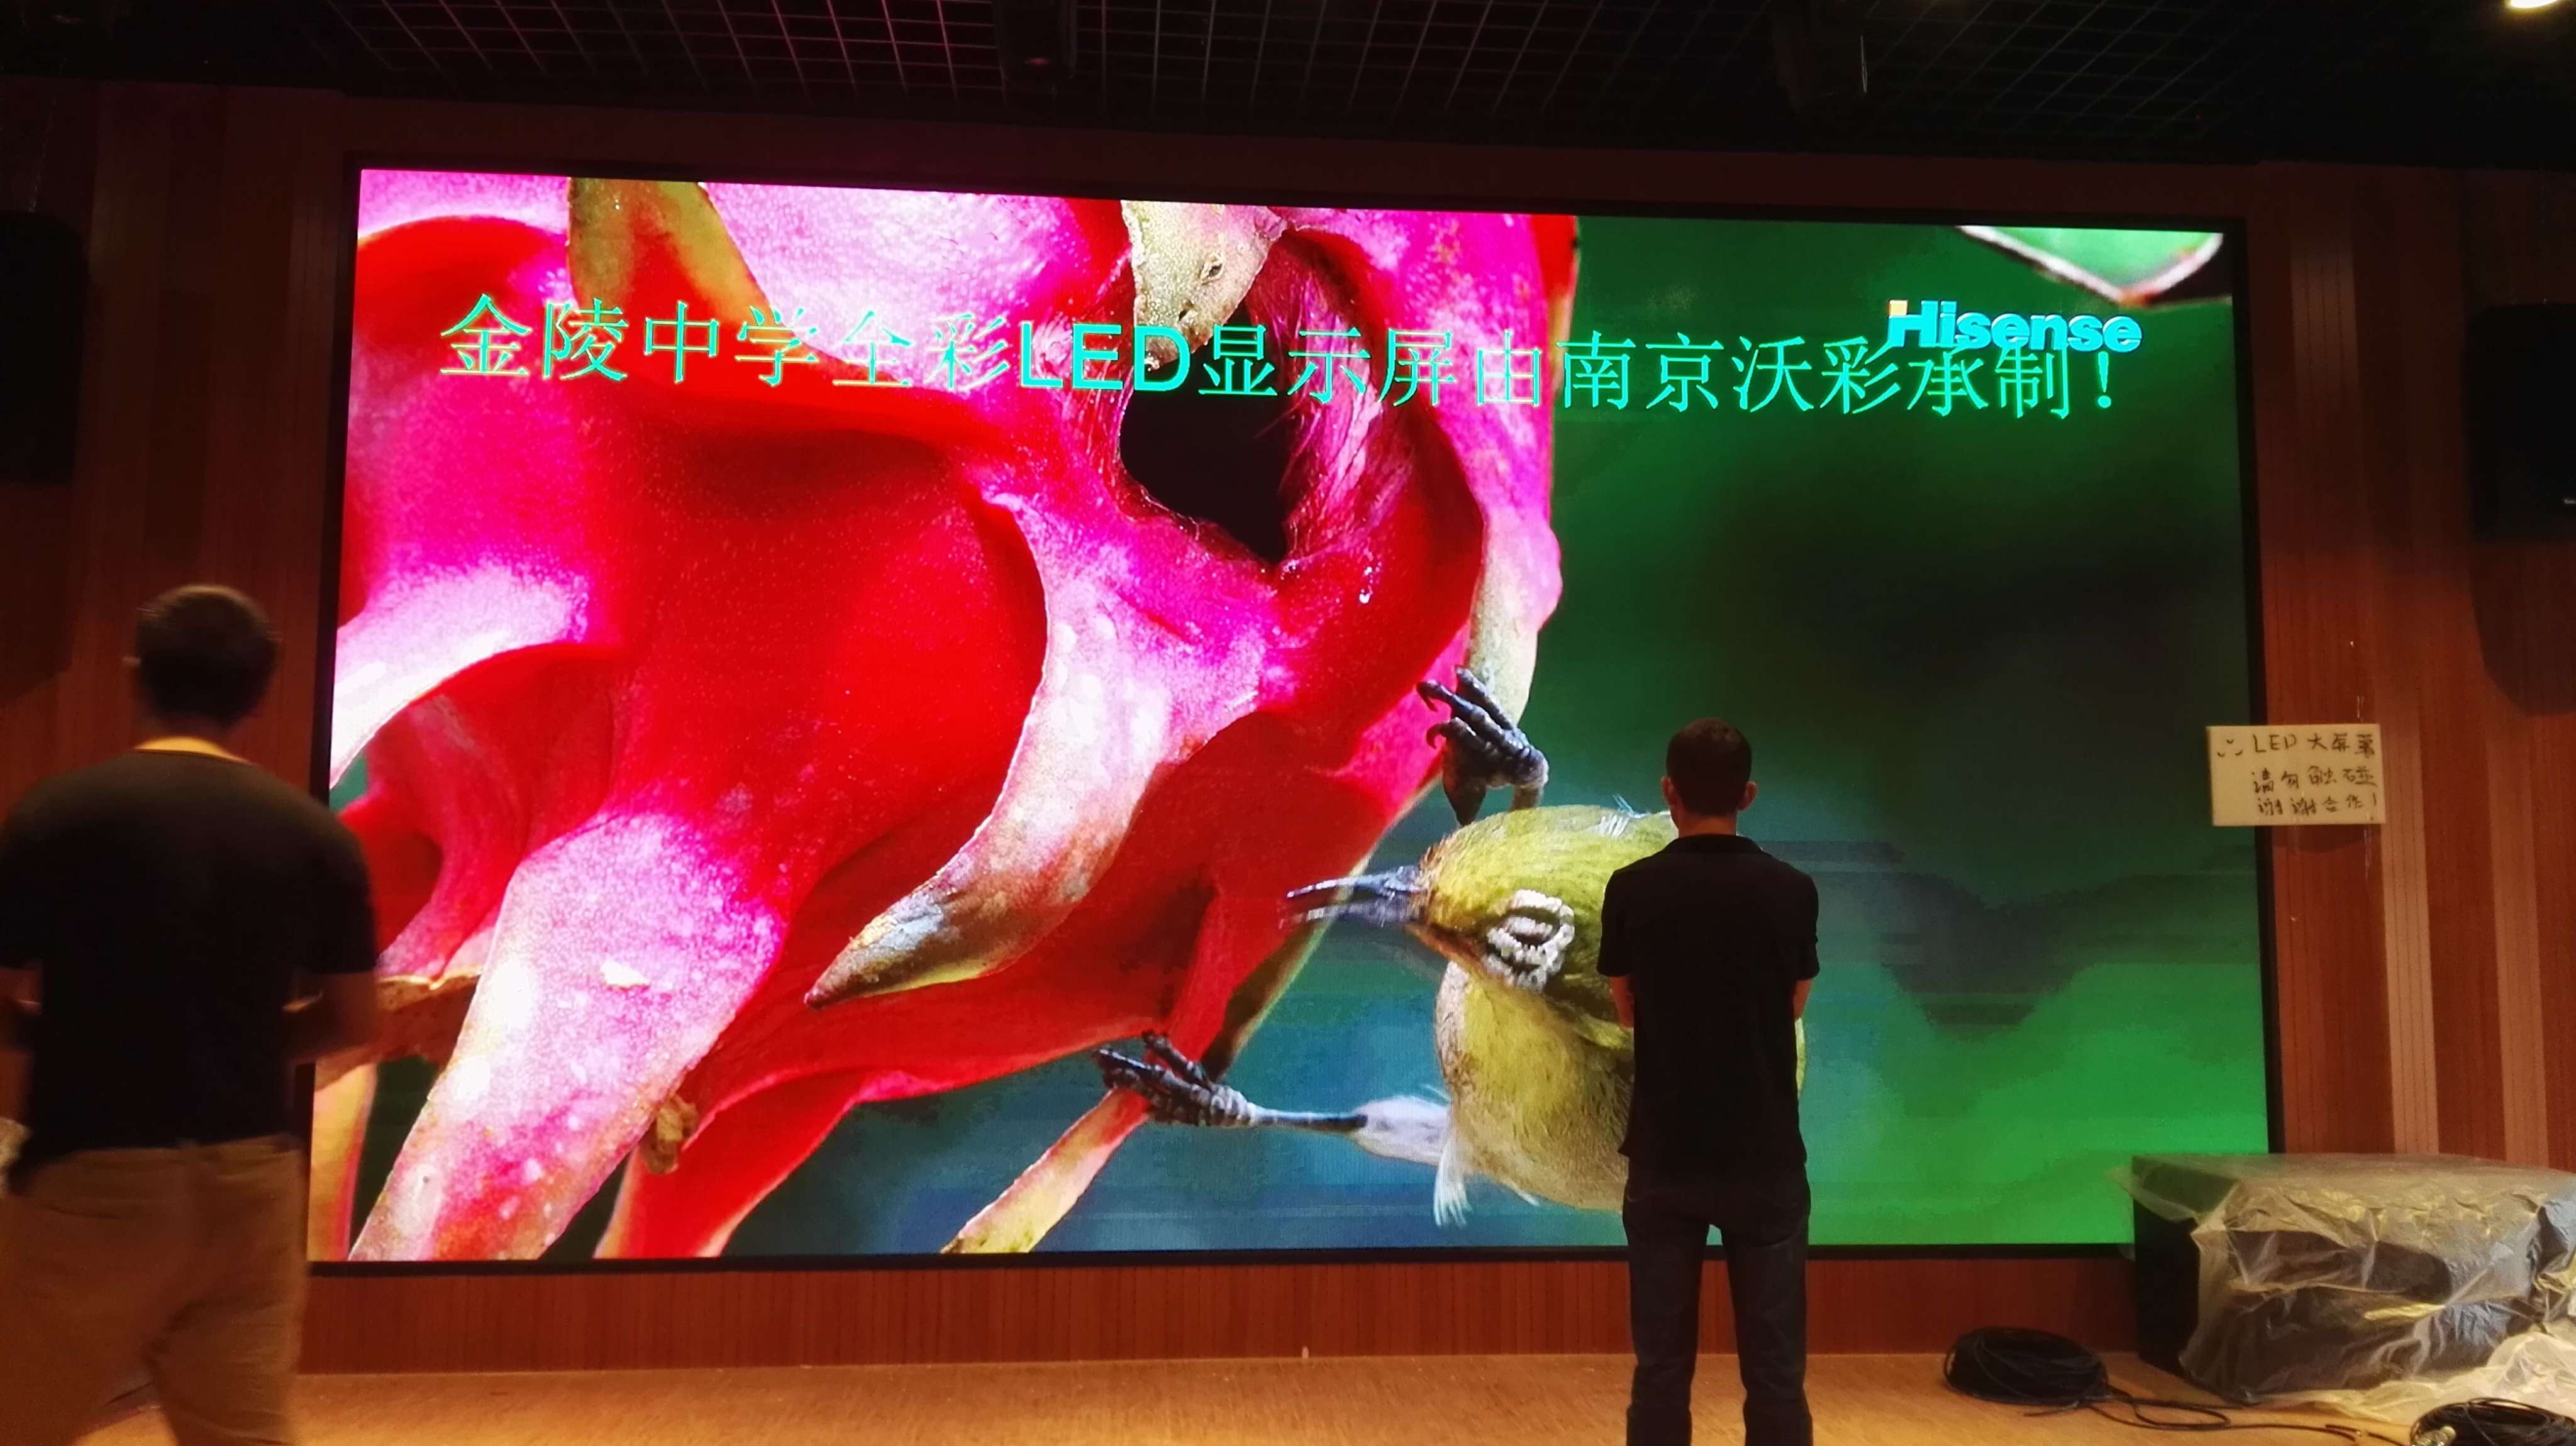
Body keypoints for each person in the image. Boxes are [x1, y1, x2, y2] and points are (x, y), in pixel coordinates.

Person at [0, 584, 382, 1446]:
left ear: (136, 674)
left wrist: (55, 1039)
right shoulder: (314, 836)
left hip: (93, 1180)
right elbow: (356, 1019)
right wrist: (245, 1045)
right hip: (248, 1187)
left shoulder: (59, 815)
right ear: (257, 694)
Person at [1597, 718, 1821, 1446]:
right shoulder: (1792, 890)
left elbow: (1624, 1010)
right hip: (1766, 1156)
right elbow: (1793, 1003)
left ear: (1669, 792)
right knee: (1777, 1370)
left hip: (1665, 1155)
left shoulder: (1631, 887)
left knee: (1660, 1367)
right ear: (1747, 794)